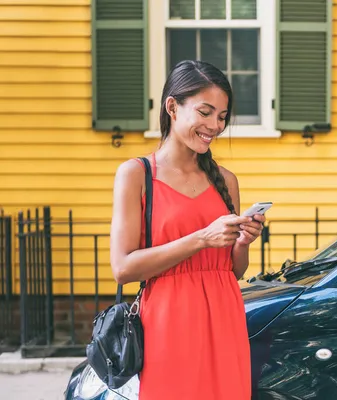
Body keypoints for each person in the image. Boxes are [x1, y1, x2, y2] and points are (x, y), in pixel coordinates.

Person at [109, 60, 264, 399]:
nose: (215, 125)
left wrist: (243, 242)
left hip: (225, 319)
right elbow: (122, 269)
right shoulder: (136, 174)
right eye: (205, 112)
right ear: (172, 107)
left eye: (222, 117)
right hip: (168, 323)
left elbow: (234, 270)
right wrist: (200, 238)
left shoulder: (226, 180)